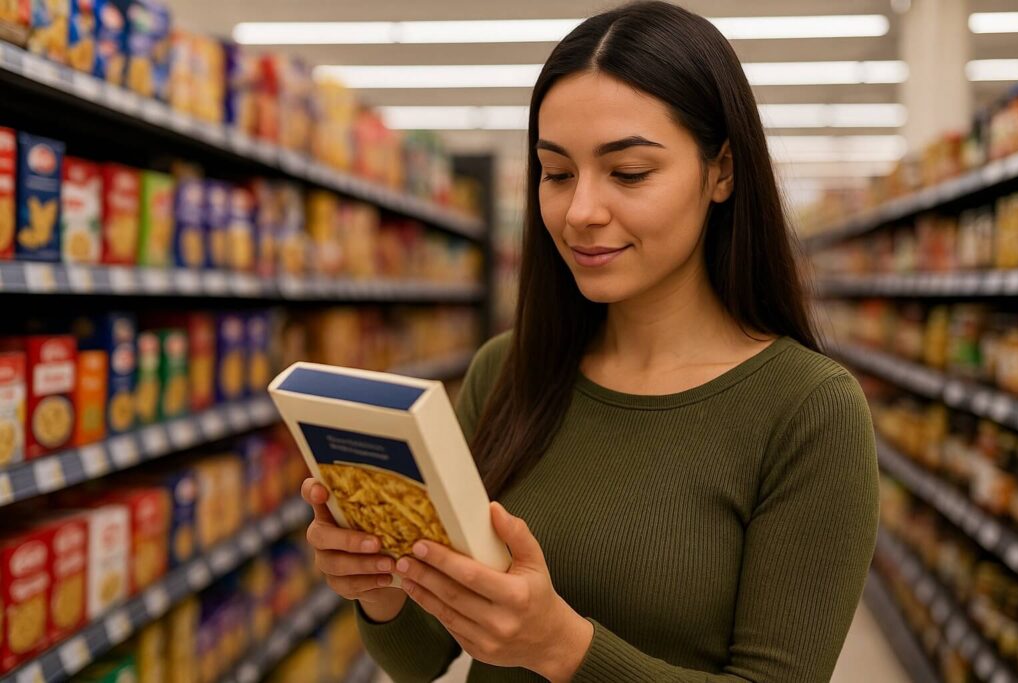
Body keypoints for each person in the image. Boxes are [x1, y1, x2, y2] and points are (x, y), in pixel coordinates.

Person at [301, 2, 879, 681]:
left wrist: (560, 645)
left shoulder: (810, 411)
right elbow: (425, 655)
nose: (580, 212)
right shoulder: (508, 372)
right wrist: (382, 586)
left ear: (721, 171)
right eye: (557, 172)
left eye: (629, 172)